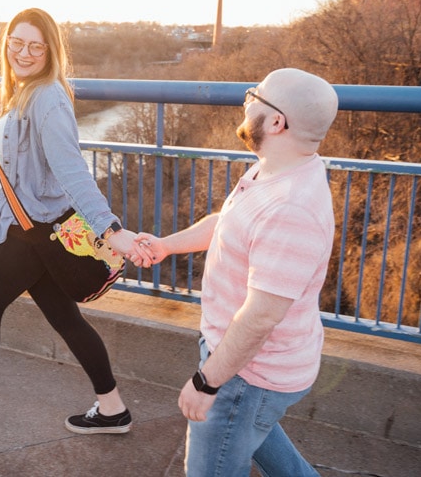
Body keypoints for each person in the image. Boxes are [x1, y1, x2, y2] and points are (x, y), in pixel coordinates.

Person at [0, 7, 141, 434]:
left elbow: (72, 171)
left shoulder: (48, 97)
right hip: (30, 232)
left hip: (21, 233)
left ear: (50, 50)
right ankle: (112, 408)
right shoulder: (4, 91)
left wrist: (112, 229)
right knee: (65, 318)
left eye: (36, 45)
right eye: (17, 42)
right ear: (7, 43)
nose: (25, 52)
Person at [133, 68, 339, 476]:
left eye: (254, 97)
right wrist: (166, 245)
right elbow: (228, 222)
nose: (246, 103)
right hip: (242, 365)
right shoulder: (274, 169)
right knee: (270, 451)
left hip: (246, 374)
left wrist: (207, 381)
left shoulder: (291, 208)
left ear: (276, 122)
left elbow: (261, 316)